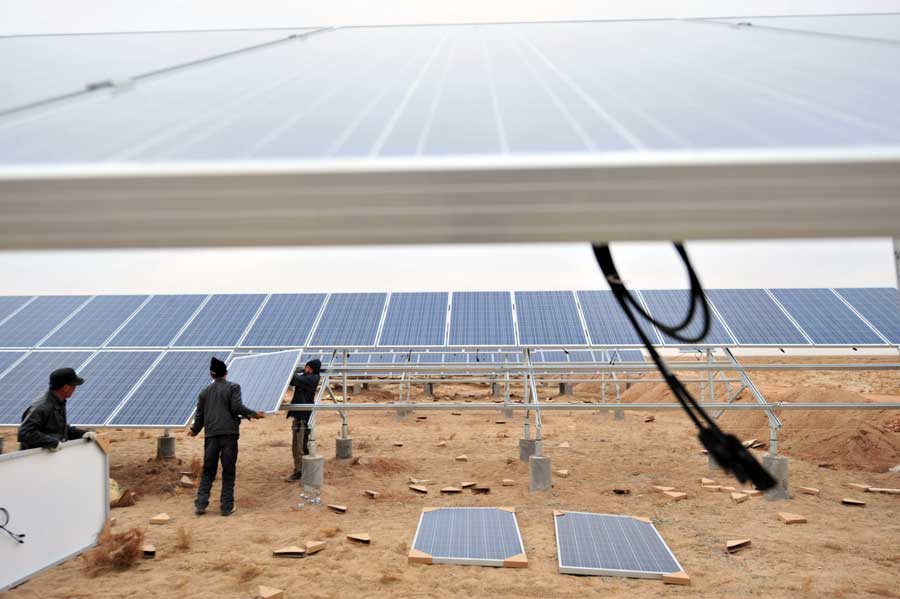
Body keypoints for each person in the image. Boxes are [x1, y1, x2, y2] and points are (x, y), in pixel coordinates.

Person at [189, 356, 264, 517]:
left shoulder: (204, 392)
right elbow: (236, 406)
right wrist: (253, 414)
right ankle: (226, 507)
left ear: (212, 375)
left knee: (208, 470)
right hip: (229, 435)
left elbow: (200, 414)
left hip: (211, 436)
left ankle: (201, 504)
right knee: (228, 471)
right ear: (226, 373)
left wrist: (194, 430)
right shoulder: (233, 387)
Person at [18, 367, 97, 450]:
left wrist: (82, 434)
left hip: (48, 458)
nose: (75, 388)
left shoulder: (58, 402)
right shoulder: (42, 406)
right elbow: (25, 433)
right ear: (65, 387)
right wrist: (51, 442)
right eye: (74, 386)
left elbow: (60, 429)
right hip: (35, 459)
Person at [284, 358, 321, 482]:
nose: (305, 369)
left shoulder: (311, 379)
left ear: (312, 369)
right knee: (296, 446)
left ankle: (301, 472)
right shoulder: (307, 377)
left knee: (301, 447)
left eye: (307, 367)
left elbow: (293, 379)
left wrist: (290, 369)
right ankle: (299, 469)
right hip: (299, 417)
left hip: (303, 418)